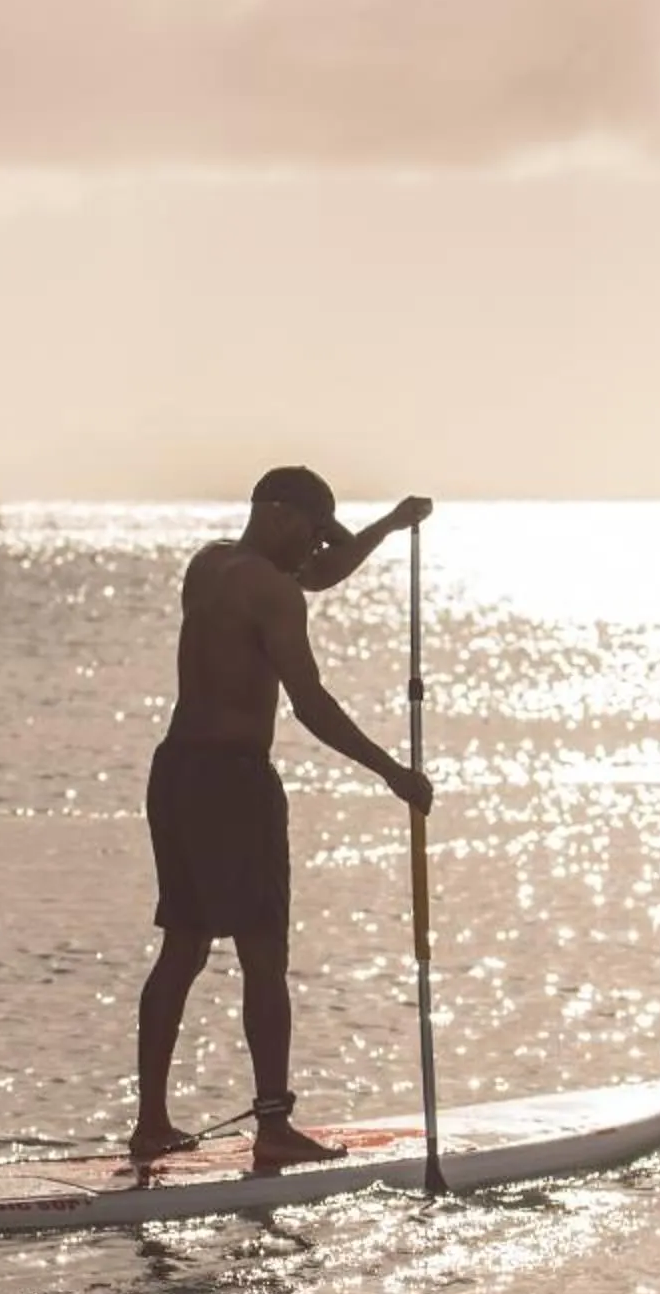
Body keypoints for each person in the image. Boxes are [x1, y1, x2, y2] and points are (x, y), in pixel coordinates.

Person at [131, 467, 434, 1167]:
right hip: (233, 784)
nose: (314, 553)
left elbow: (315, 576)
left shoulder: (210, 566)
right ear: (282, 516)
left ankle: (150, 1125)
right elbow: (311, 704)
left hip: (175, 772)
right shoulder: (271, 588)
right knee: (264, 954)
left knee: (183, 948)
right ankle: (273, 1128)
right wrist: (393, 773)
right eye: (311, 533)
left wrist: (384, 526)